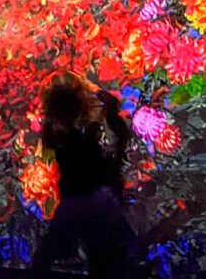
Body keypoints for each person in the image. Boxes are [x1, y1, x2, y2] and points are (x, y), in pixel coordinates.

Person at [32, 70, 134, 278]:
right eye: (83, 92)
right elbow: (83, 161)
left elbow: (115, 147)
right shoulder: (67, 131)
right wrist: (97, 122)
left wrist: (103, 121)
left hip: (87, 196)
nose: (90, 96)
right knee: (96, 247)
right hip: (86, 196)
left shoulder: (70, 126)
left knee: (98, 248)